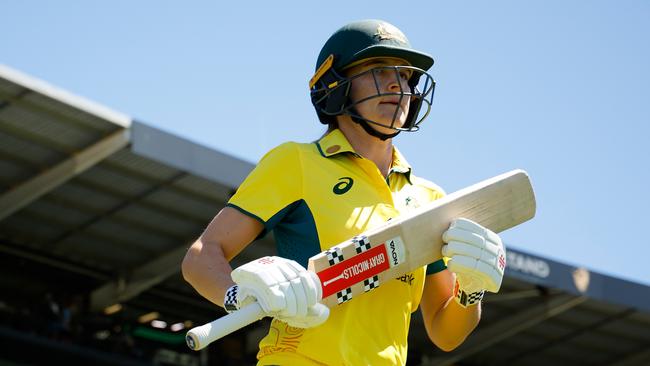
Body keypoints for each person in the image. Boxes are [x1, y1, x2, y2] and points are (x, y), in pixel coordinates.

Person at [182, 19, 506, 366]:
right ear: (336, 85)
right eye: (380, 71)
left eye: (405, 76)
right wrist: (240, 294)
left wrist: (471, 292)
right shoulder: (297, 162)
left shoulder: (430, 198)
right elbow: (201, 257)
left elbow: (445, 333)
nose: (398, 86)